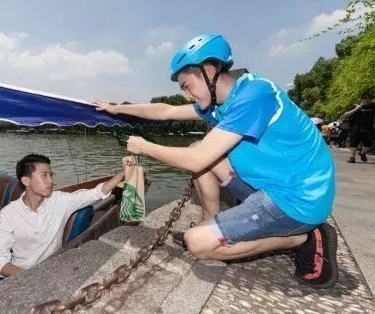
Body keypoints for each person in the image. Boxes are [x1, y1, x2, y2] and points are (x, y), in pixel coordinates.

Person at [93, 33, 337, 288]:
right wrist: (116, 108)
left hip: (297, 200)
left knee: (197, 243)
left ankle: (304, 238)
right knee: (199, 145)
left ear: (208, 71)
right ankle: (211, 222)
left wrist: (144, 146)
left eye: (187, 85)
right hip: (270, 186)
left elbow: (197, 160)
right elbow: (165, 110)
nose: (187, 95)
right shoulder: (219, 104)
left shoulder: (255, 94)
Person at [0, 153, 126, 277]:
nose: (51, 181)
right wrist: (28, 277)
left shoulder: (59, 200)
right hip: (20, 273)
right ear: (26, 181)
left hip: (54, 269)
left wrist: (122, 174)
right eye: (44, 175)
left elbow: (94, 193)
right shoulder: (9, 214)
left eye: (51, 175)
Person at [344, 93, 374, 163]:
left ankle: (362, 153)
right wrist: (356, 109)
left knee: (368, 144)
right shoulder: (355, 106)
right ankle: (352, 157)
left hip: (368, 128)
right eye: (365, 99)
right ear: (361, 100)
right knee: (354, 142)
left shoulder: (372, 107)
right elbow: (346, 115)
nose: (367, 101)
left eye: (368, 99)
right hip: (356, 127)